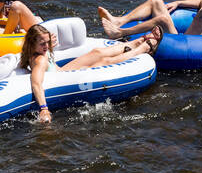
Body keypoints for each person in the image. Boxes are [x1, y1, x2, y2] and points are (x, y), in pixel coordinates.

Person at [20, 23, 162, 123]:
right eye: (43, 43)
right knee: (104, 62)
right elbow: (37, 83)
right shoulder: (39, 60)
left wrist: (47, 43)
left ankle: (139, 40)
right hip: (66, 79)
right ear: (33, 44)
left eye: (47, 42)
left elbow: (45, 49)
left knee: (97, 52)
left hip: (63, 71)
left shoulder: (39, 51)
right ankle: (143, 48)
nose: (47, 46)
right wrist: (44, 109)